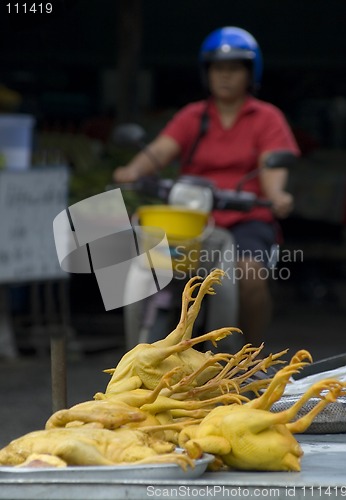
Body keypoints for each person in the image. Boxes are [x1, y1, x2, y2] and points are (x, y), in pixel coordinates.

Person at [114, 26, 300, 347]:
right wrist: (132, 170)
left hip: (246, 219)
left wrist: (277, 195)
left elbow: (273, 166)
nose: (225, 76)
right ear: (207, 73)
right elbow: (160, 150)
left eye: (234, 69)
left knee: (251, 276)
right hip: (191, 218)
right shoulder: (192, 116)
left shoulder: (267, 118)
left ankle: (249, 360)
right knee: (152, 266)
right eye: (218, 68)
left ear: (250, 73)